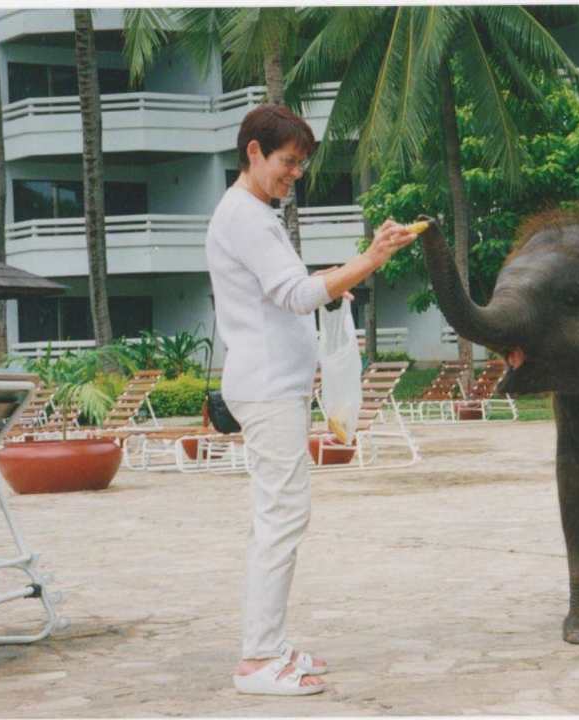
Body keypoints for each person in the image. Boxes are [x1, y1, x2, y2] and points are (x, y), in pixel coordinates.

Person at [205, 104, 416, 696]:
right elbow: (297, 295)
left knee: (279, 517)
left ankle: (268, 646)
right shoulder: (247, 217)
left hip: (274, 384)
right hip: (268, 387)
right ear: (254, 153)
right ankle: (257, 659)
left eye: (299, 165)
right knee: (281, 517)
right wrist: (371, 260)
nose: (294, 174)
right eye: (287, 162)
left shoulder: (252, 214)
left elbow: (285, 293)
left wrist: (343, 273)